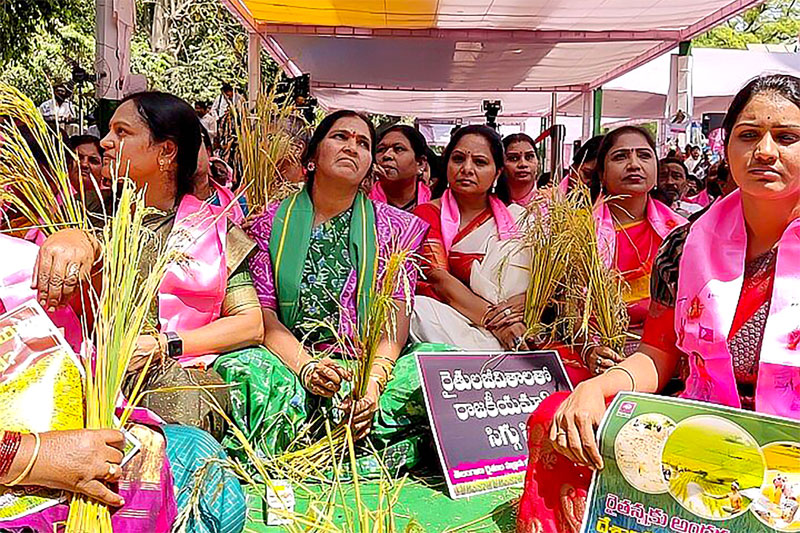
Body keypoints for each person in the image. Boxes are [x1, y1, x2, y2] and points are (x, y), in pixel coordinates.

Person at [517, 74, 800, 533]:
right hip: (708, 416)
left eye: (786, 137)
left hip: (790, 432)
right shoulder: (685, 245)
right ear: (727, 148)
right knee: (559, 414)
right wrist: (598, 388)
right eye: (748, 135)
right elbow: (657, 355)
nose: (765, 151)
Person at [214, 110, 442, 472]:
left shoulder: (398, 229)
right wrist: (307, 369)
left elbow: (393, 327)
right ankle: (360, 447)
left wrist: (370, 388)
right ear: (312, 155)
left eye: (363, 143)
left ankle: (340, 429)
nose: (352, 147)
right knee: (240, 369)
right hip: (291, 363)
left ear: (370, 166)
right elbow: (266, 318)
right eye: (340, 137)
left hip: (366, 366)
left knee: (435, 364)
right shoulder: (267, 224)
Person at [0, 231, 246, 533]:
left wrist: (94, 257)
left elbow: (84, 323)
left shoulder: (19, 260)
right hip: (19, 460)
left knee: (197, 454)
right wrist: (26, 455)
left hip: (57, 420)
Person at [95, 92, 263, 438]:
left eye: (122, 133)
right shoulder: (97, 225)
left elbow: (250, 325)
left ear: (166, 152)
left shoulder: (215, 231)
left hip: (170, 369)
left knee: (184, 412)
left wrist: (163, 344)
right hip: (96, 367)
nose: (105, 143)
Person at [411, 125, 530, 351]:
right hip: (456, 319)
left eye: (480, 162)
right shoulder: (427, 214)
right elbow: (439, 279)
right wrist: (497, 322)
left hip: (516, 320)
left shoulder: (520, 219)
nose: (466, 168)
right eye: (458, 159)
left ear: (497, 173)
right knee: (419, 309)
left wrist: (520, 306)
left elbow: (541, 280)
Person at [370, 125, 432, 211]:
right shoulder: (363, 203)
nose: (387, 155)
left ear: (420, 163)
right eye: (381, 149)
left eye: (399, 149)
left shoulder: (436, 207)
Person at [498, 133, 539, 205]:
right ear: (501, 165)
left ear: (538, 162)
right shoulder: (490, 205)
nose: (523, 164)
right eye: (513, 158)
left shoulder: (550, 204)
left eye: (529, 157)